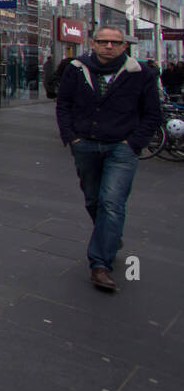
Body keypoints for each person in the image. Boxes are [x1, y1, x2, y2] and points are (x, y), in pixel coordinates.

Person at [55, 26, 162, 293]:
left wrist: (133, 144)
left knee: (111, 203)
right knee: (93, 199)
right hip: (86, 145)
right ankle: (110, 236)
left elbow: (152, 113)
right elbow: (63, 104)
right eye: (103, 41)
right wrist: (72, 137)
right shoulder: (76, 69)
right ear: (93, 43)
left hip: (121, 149)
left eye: (115, 42)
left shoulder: (140, 73)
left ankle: (100, 265)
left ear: (124, 46)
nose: (109, 46)